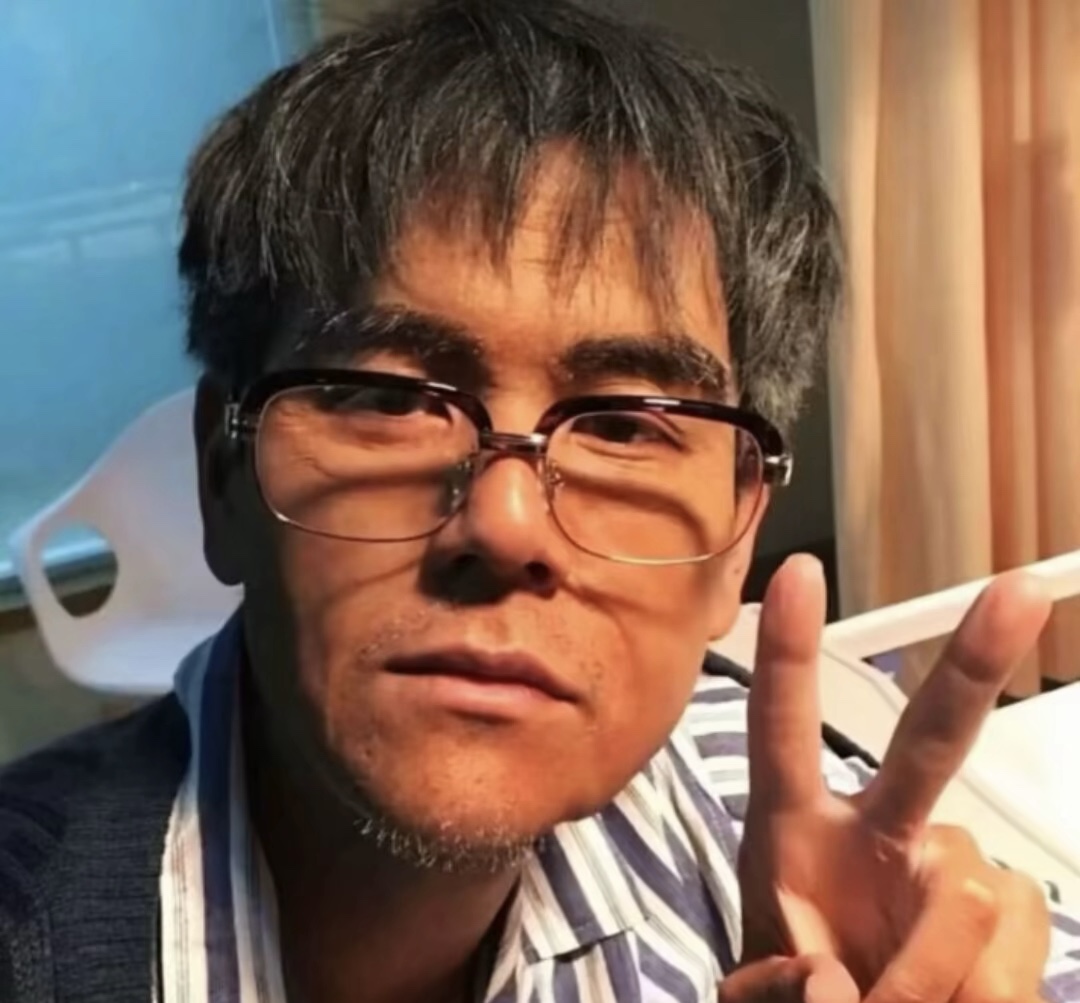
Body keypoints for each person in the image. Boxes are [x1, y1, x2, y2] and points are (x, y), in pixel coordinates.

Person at [1, 1, 1077, 1001]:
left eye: (625, 425)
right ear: (221, 471)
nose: (506, 522)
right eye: (389, 398)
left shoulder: (773, 812)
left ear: (737, 531)